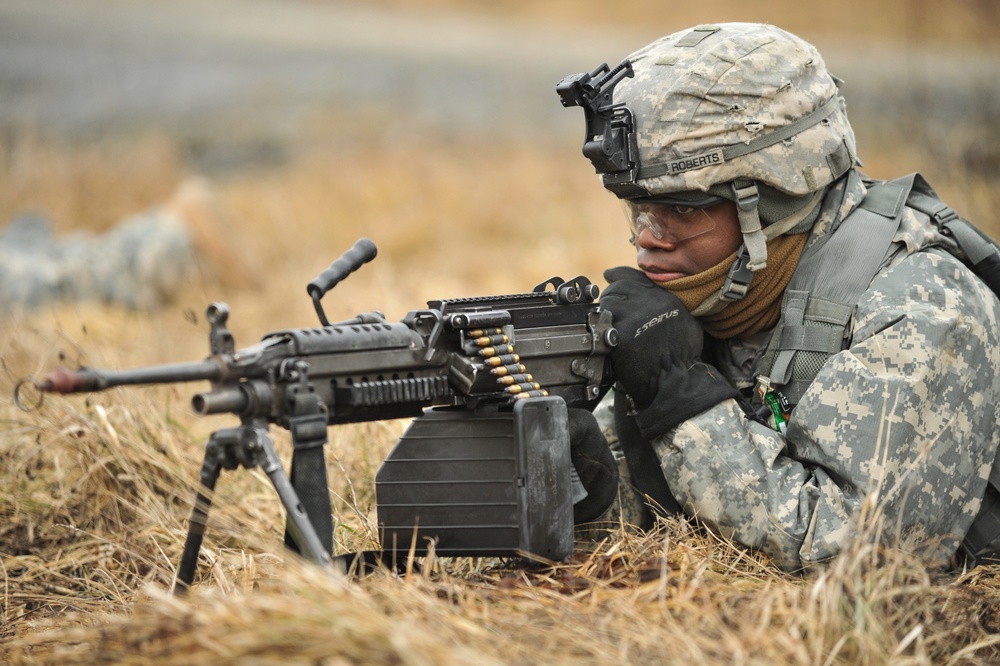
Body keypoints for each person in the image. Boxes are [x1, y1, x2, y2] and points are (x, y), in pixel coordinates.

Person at [560, 22, 1000, 571]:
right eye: (638, 210)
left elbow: (861, 560)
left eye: (685, 209)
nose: (649, 238)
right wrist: (596, 491)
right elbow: (676, 522)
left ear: (771, 201)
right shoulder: (725, 293)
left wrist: (679, 403)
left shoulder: (919, 306)